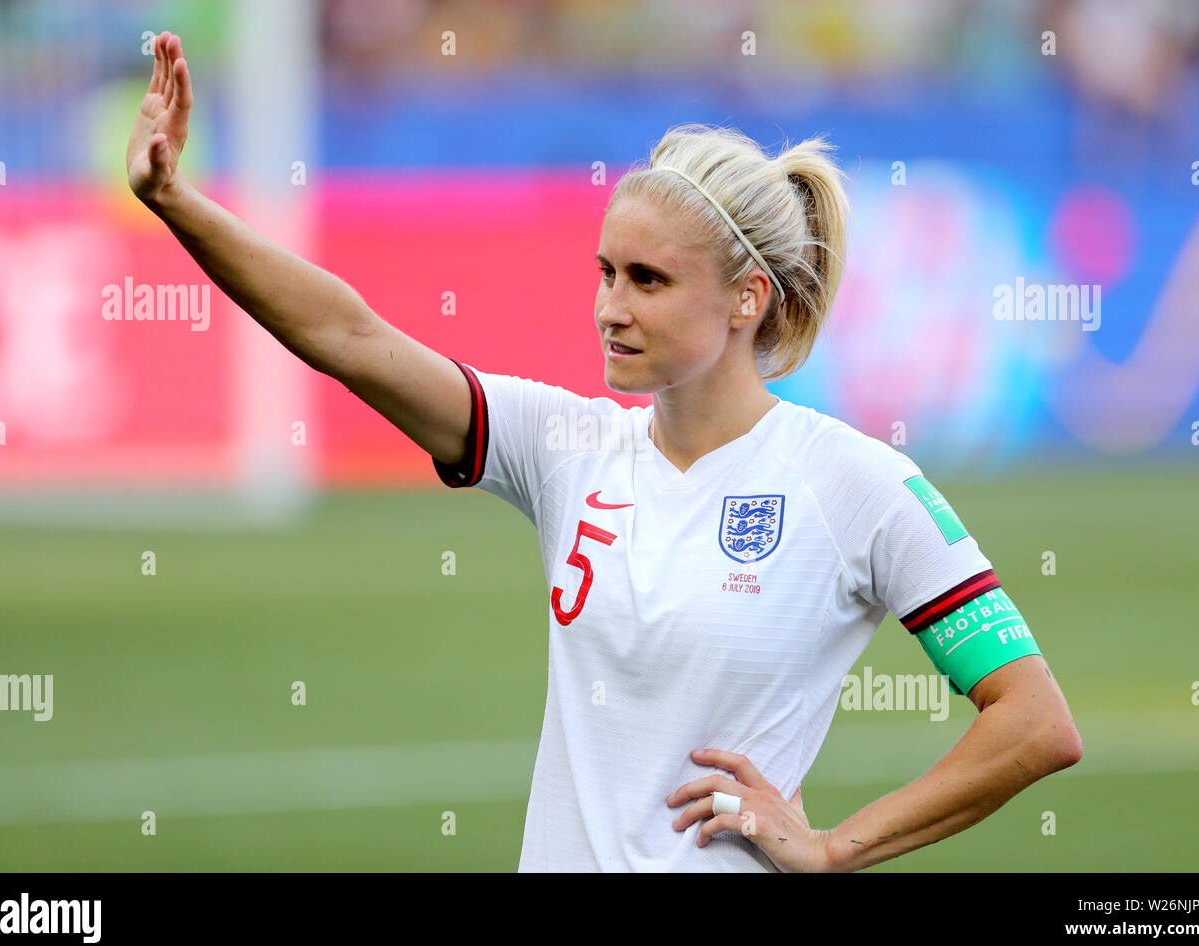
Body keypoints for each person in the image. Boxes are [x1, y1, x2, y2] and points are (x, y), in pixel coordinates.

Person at [128, 32, 1083, 873]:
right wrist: (177, 201)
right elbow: (349, 337)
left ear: (746, 297)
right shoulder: (565, 444)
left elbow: (1035, 722)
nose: (611, 306)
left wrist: (838, 847)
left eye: (648, 279)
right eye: (605, 271)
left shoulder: (859, 486)